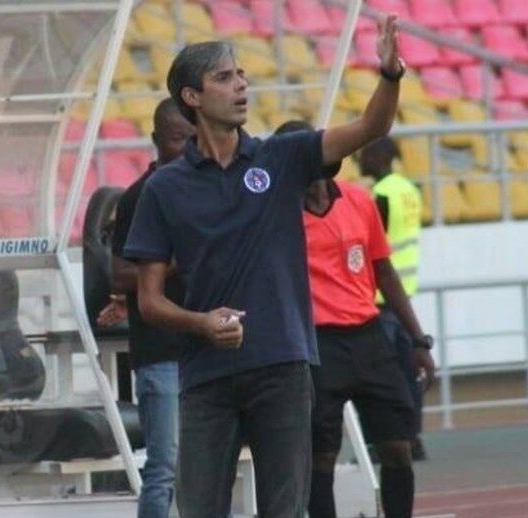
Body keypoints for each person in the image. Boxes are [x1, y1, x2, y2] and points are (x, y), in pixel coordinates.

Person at [123, 14, 404, 517]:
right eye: (224, 77)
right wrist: (202, 323)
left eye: (241, 74)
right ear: (192, 96)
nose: (241, 85)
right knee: (199, 510)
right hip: (205, 377)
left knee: (284, 510)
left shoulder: (283, 157)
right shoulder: (164, 189)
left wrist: (389, 74)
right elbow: (149, 301)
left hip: (283, 366)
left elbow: (372, 126)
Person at [274, 120, 434, 518]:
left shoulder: (360, 201)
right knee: (321, 459)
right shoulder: (277, 215)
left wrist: (418, 340)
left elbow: (384, 272)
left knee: (397, 448)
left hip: (369, 338)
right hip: (316, 345)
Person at [96, 98, 195, 518]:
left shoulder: (205, 189)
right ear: (156, 140)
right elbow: (120, 274)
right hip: (161, 353)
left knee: (207, 467)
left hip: (204, 351)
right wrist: (176, 261)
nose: (186, 149)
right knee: (164, 467)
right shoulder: (141, 196)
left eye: (192, 139)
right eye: (176, 139)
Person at [357, 137, 428, 460]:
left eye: (363, 155)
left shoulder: (381, 194)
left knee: (376, 374)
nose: (359, 161)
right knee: (407, 370)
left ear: (378, 156)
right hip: (404, 292)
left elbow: (371, 243)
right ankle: (412, 437)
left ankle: (380, 443)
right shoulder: (409, 190)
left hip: (380, 294)